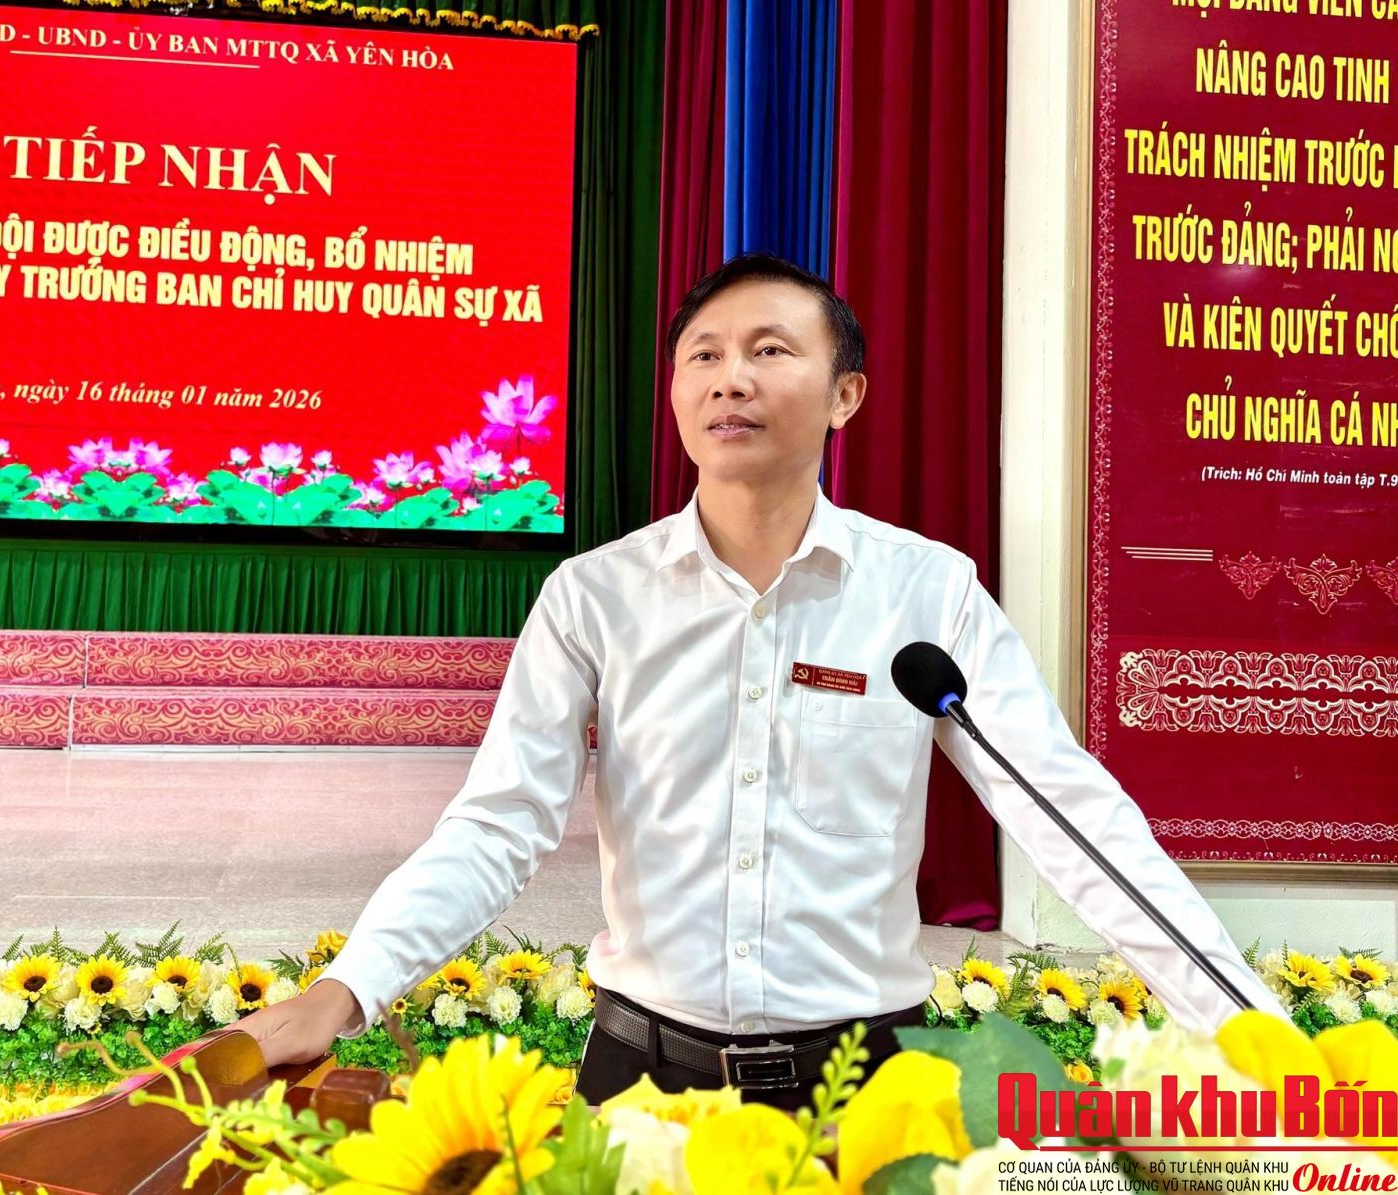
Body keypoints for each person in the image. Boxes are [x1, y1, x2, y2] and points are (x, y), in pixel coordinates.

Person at [238, 252, 1278, 1107]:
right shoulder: (592, 596)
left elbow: (1065, 811)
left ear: (844, 395)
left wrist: (1253, 1034)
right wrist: (348, 988)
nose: (729, 378)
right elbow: (498, 824)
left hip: (870, 1086)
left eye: (769, 350)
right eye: (704, 355)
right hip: (641, 1079)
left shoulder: (928, 592)